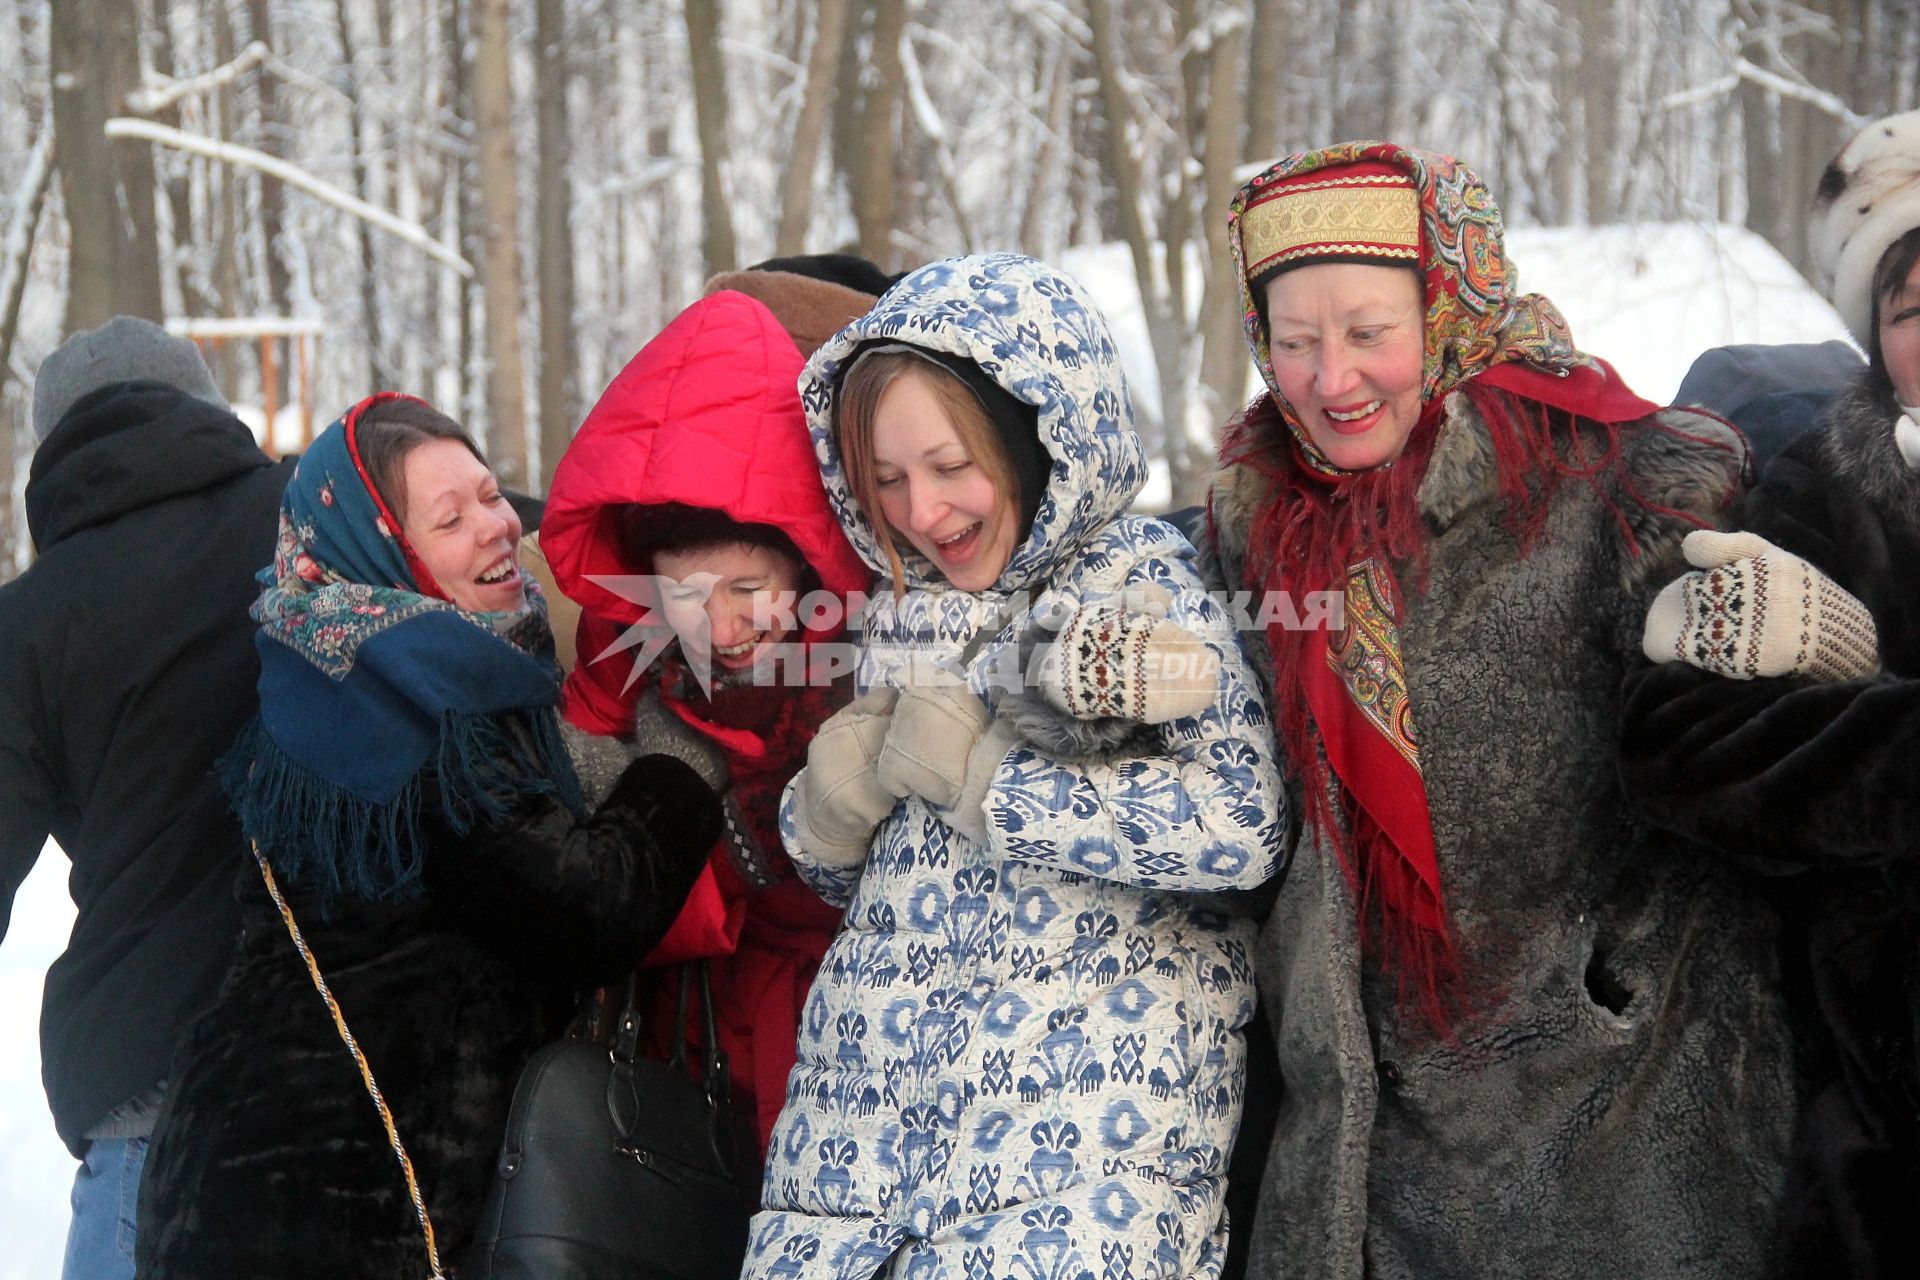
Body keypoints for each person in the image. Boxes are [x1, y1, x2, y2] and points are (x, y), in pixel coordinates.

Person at [1204, 144, 1798, 1278]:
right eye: (1295, 340)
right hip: (1361, 1146)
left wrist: (1812, 641)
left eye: (1369, 332)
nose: (1332, 382)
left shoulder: (1608, 477)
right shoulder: (1251, 525)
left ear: (1448, 307)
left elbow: (1748, 752)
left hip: (1603, 1119)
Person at [743, 252, 1287, 1280]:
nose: (921, 511)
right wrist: (827, 820)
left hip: (1077, 1172)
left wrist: (997, 786)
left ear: (1040, 432)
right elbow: (876, 895)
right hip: (849, 1173)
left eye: (950, 464)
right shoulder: (902, 611)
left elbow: (1242, 823)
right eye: (887, 479)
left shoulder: (1147, 584)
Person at [133, 394, 721, 1279]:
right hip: (323, 1208)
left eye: (491, 495)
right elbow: (590, 904)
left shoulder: (348, 674)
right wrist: (678, 765)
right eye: (451, 518)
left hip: (281, 1174)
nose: (496, 527)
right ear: (382, 553)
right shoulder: (409, 716)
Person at [1622, 107, 1920, 1278]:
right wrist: (1878, 713)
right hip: (1886, 1128)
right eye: (1909, 309)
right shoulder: (1826, 493)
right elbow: (1675, 748)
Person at [539, 287, 873, 1156]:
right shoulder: (617, 673)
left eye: (748, 591)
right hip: (679, 1065)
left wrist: (719, 846)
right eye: (686, 595)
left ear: (807, 567)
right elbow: (592, 901)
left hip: (850, 1050)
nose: (721, 630)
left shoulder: (882, 663)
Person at [0, 316, 292, 1280]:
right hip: (365, 1068)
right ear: (208, 408)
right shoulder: (324, 517)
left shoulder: (30, 622)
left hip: (153, 1085)